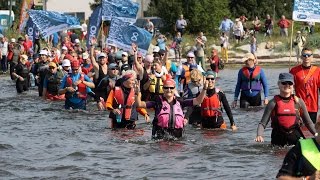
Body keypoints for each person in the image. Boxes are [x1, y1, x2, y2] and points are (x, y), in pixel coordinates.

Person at [135, 76, 208, 139]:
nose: (169, 90)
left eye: (171, 88)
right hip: (160, 137)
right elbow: (139, 104)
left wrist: (204, 89)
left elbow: (198, 101)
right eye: (166, 88)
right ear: (163, 89)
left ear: (174, 89)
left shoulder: (180, 101)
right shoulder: (157, 102)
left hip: (177, 137)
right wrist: (137, 93)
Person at [255, 73, 317, 146]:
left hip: (295, 135)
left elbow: (308, 122)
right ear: (279, 84)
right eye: (284, 83)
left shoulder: (299, 102)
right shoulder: (273, 103)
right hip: (278, 137)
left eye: (290, 83)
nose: (287, 85)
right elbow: (263, 123)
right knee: (277, 155)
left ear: (293, 85)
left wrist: (316, 134)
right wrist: (259, 135)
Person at [290, 47, 320, 123]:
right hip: (299, 106)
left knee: (312, 130)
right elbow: (289, 89)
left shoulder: (317, 71)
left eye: (309, 55)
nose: (306, 57)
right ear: (301, 57)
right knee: (299, 130)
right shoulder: (294, 71)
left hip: (313, 106)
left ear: (312, 57)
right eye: (304, 55)